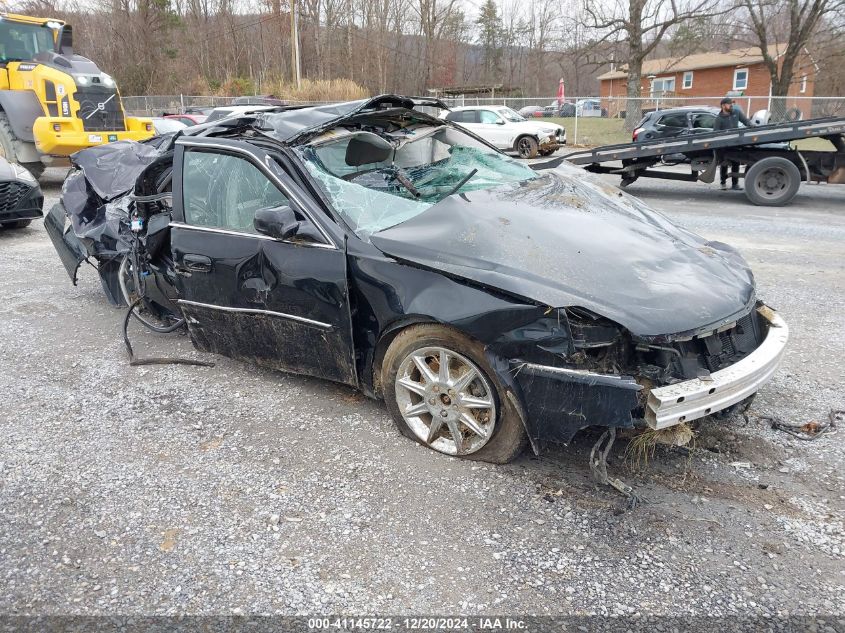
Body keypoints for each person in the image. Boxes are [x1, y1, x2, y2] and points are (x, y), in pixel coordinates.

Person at [713, 97, 751, 190]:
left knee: (736, 163)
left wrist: (752, 125)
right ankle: (723, 183)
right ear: (723, 106)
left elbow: (746, 121)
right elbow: (716, 133)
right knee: (724, 164)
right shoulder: (719, 119)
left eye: (732, 104)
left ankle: (735, 184)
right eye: (729, 104)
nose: (731, 105)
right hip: (724, 146)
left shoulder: (736, 113)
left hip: (735, 144)